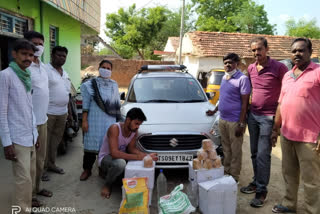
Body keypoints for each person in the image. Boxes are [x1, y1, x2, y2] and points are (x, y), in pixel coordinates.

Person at [271, 38, 320, 214]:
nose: (297, 54)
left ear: (310, 53)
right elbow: (280, 104)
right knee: (289, 174)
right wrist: (275, 129)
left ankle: (312, 210)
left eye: (301, 50)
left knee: (311, 179)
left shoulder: (318, 72)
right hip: (287, 134)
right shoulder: (287, 76)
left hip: (310, 137)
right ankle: (290, 204)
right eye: (294, 51)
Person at [240, 37, 288, 208]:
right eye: (253, 50)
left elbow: (286, 92)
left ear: (267, 49)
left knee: (262, 155)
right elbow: (249, 90)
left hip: (269, 117)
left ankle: (261, 191)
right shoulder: (251, 68)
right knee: (253, 152)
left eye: (259, 49)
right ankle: (255, 181)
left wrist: (277, 124)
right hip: (253, 116)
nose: (256, 53)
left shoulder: (279, 68)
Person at [0, 39, 39, 213]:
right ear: (14, 54)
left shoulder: (26, 75)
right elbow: (2, 111)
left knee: (30, 177)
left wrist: (35, 134)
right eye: (24, 54)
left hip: (29, 135)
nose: (28, 58)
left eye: (31, 55)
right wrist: (7, 143)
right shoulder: (6, 75)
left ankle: (26, 207)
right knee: (23, 180)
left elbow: (29, 109)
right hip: (16, 137)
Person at [206, 53, 251, 183]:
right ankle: (226, 172)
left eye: (230, 62)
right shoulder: (225, 77)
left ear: (236, 63)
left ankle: (234, 177)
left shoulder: (242, 79)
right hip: (223, 119)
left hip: (235, 121)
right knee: (226, 148)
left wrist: (241, 124)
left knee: (235, 150)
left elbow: (245, 104)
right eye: (225, 63)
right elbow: (222, 97)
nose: (227, 65)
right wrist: (214, 110)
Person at [98, 107, 158, 198]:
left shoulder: (133, 131)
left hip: (121, 158)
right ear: (128, 120)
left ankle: (110, 175)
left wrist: (146, 156)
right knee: (121, 164)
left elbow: (131, 149)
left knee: (129, 175)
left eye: (139, 124)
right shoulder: (114, 128)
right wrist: (138, 157)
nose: (138, 126)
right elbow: (114, 153)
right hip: (106, 158)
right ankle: (107, 184)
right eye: (136, 123)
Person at [79, 60, 121, 181]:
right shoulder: (90, 85)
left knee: (107, 146)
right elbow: (86, 104)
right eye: (103, 67)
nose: (106, 70)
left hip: (109, 121)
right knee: (90, 147)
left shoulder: (114, 84)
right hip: (93, 120)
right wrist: (84, 121)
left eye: (108, 68)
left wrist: (117, 124)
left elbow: (116, 105)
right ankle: (87, 169)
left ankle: (102, 169)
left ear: (111, 71)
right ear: (99, 68)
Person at [24, 31, 53, 200]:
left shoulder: (42, 67)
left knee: (40, 161)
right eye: (34, 43)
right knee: (30, 163)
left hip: (43, 120)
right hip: (29, 123)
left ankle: (37, 188)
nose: (38, 47)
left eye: (41, 44)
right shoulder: (24, 68)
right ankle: (29, 195)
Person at [44, 46, 71, 177]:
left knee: (55, 141)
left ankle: (51, 164)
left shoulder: (65, 73)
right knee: (45, 142)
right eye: (59, 55)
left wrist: (69, 113)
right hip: (48, 112)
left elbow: (68, 93)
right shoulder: (45, 70)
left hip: (62, 113)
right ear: (52, 56)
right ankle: (41, 169)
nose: (61, 58)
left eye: (64, 56)